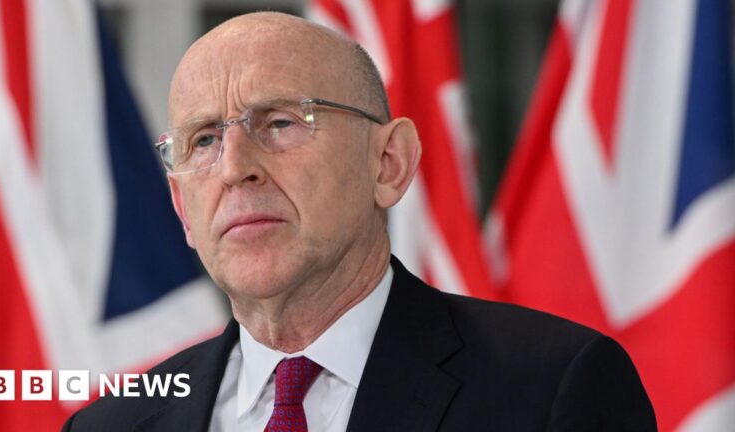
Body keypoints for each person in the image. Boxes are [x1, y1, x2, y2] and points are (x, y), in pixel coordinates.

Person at [63, 11, 656, 432]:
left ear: (389, 163)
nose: (235, 169)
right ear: (181, 209)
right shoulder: (110, 425)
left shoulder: (552, 389)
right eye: (203, 141)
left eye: (280, 122)